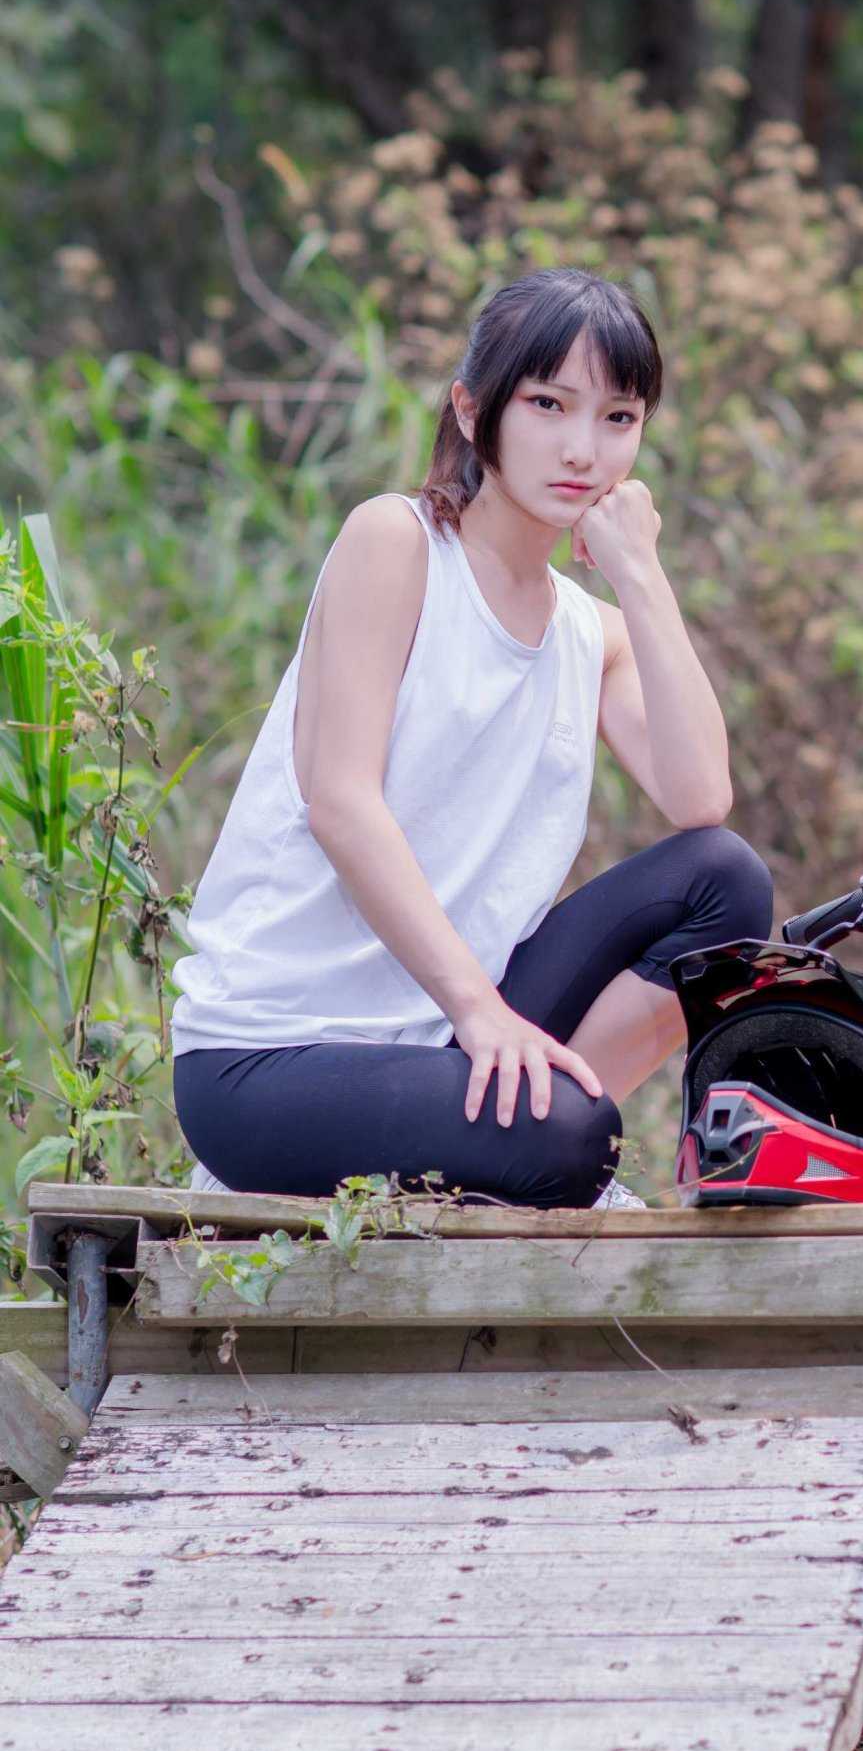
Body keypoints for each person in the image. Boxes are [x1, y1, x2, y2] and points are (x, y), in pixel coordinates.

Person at [169, 268, 774, 1207]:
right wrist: (479, 1010)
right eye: (547, 404)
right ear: (470, 408)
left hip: (447, 1039)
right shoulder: (397, 544)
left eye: (618, 417)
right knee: (576, 1145)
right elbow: (340, 802)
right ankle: (530, 1138)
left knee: (725, 878)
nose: (582, 449)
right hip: (270, 1059)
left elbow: (700, 800)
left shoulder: (590, 633)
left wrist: (641, 575)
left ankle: (518, 1125)